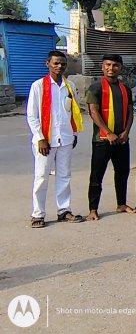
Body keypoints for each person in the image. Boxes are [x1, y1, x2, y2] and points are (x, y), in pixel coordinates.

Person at [25, 51, 85, 227]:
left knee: (64, 176)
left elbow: (72, 113)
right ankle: (38, 214)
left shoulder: (69, 86)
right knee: (42, 177)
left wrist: (73, 134)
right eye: (56, 63)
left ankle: (63, 210)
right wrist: (40, 138)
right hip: (45, 140)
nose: (59, 67)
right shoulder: (38, 86)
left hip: (65, 138)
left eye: (62, 64)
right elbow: (32, 116)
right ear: (48, 64)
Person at [85, 54, 136, 221]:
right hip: (102, 140)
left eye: (115, 65)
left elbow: (130, 112)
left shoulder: (125, 88)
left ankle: (121, 204)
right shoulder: (95, 88)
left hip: (121, 139)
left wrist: (126, 132)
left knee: (122, 172)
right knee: (97, 175)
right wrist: (108, 132)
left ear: (120, 68)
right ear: (102, 67)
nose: (111, 68)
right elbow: (94, 112)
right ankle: (93, 209)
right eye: (107, 65)